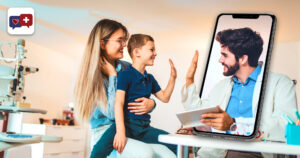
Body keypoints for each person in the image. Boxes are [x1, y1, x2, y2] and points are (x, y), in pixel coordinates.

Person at [182, 28, 298, 158]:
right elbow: (200, 112)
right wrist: (189, 80)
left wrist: (234, 125)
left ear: (243, 59)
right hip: (216, 152)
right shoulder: (222, 86)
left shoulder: (281, 83)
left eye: (225, 55)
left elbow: (286, 125)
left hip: (255, 151)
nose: (220, 60)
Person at [74, 19, 174, 158]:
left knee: (166, 154)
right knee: (146, 153)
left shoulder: (127, 67)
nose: (124, 44)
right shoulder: (91, 76)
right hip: (105, 133)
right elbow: (111, 113)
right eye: (120, 40)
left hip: (130, 128)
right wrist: (113, 76)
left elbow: (141, 95)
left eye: (124, 40)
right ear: (102, 43)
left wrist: (151, 104)